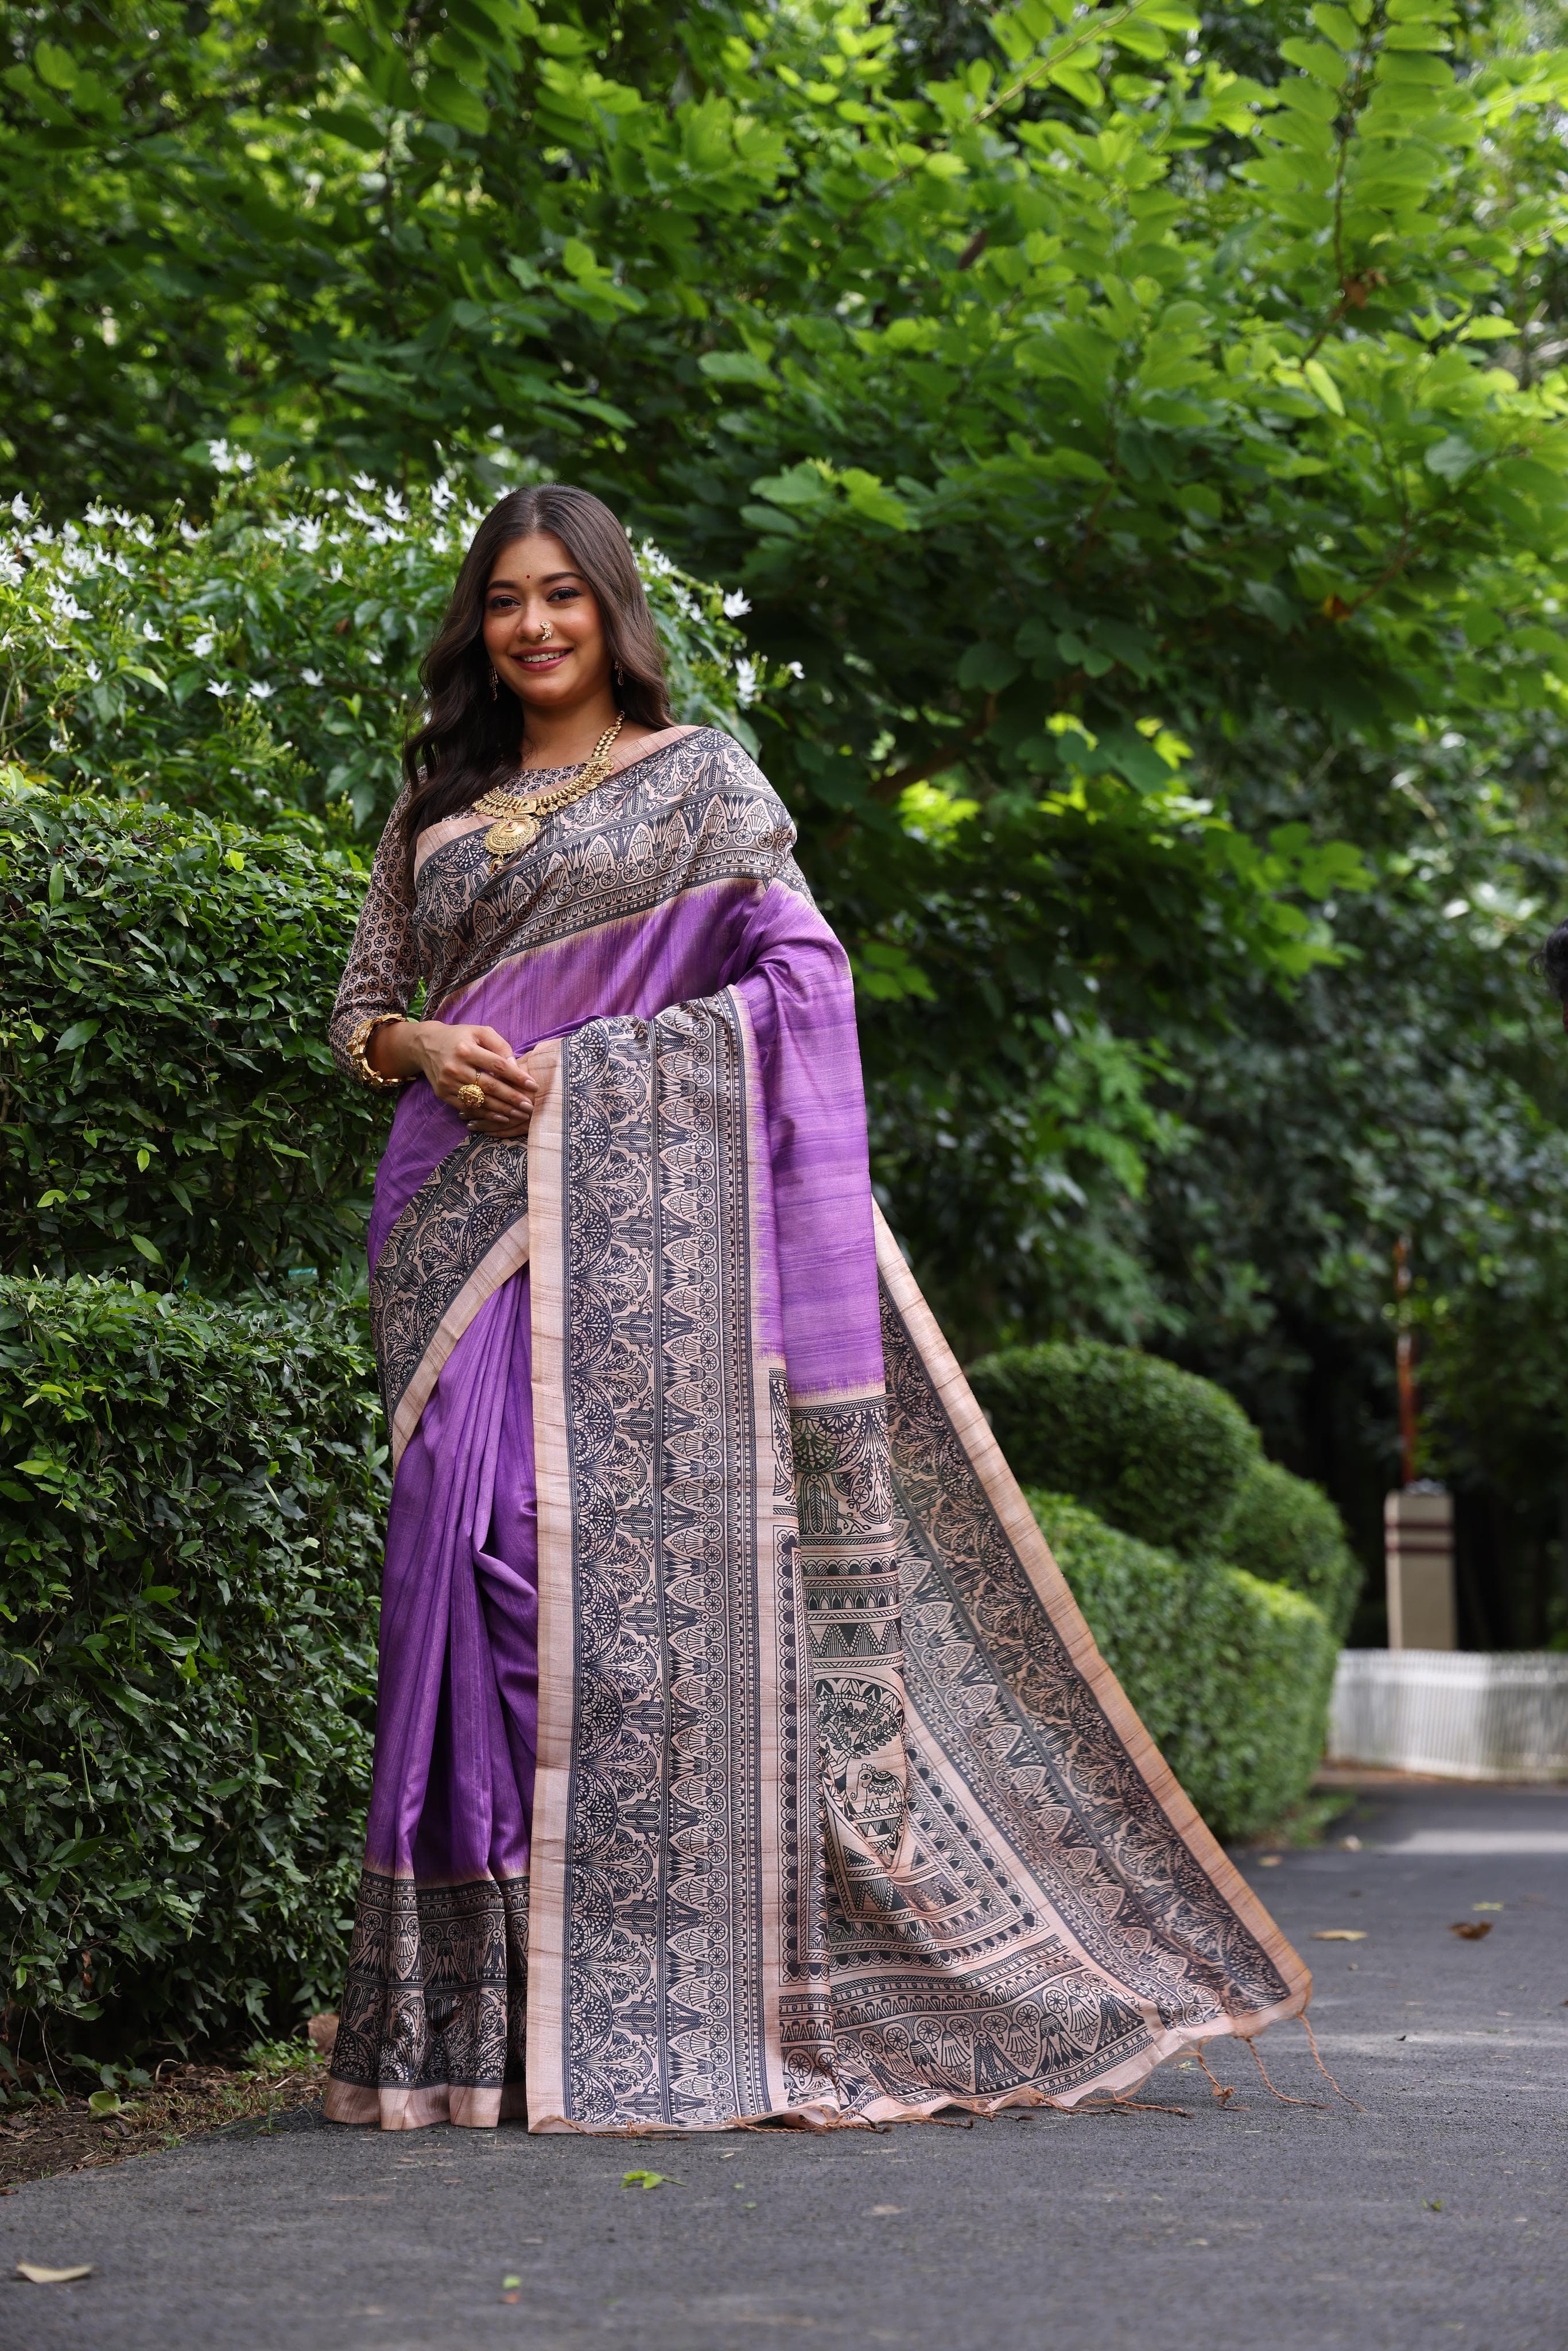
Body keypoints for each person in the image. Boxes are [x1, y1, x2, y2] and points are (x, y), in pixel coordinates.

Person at [322, 483, 1308, 2133]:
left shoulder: (704, 782)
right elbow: (362, 1006)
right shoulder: (437, 798)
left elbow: (801, 988)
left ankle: (641, 1981)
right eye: (504, 598)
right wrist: (420, 1047)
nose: (534, 626)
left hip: (633, 1219)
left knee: (535, 1565)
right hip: (455, 1229)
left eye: (563, 595)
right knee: (453, 1540)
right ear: (476, 623)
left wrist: (589, 1074)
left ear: (612, 612)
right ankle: (473, 2028)